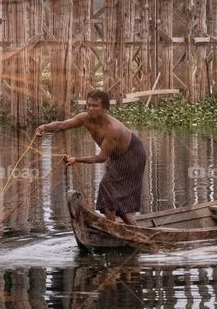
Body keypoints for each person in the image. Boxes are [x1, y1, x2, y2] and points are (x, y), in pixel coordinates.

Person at [36, 89, 148, 225]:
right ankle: (131, 230)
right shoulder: (84, 118)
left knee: (108, 191)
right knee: (114, 200)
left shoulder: (112, 129)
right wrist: (44, 127)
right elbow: (62, 125)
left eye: (95, 106)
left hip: (133, 155)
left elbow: (102, 158)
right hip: (117, 155)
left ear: (105, 108)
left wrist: (76, 159)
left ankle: (112, 230)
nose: (90, 109)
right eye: (88, 105)